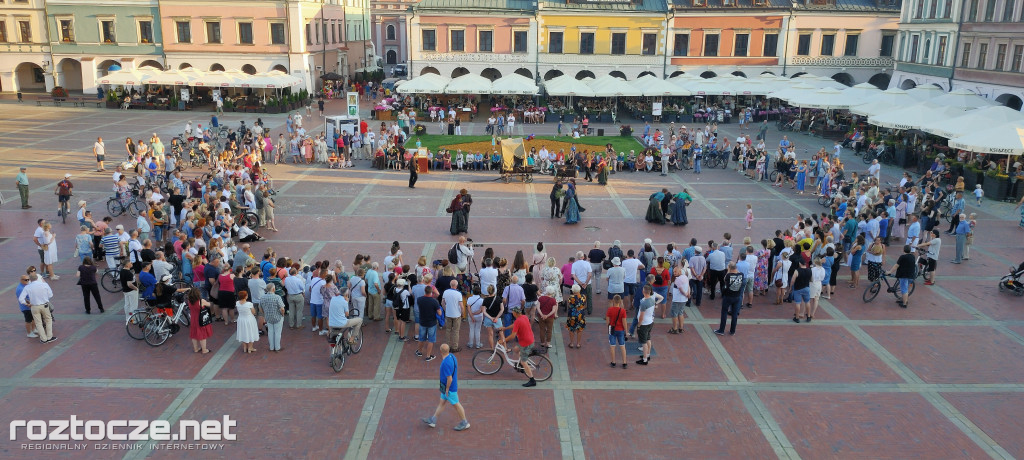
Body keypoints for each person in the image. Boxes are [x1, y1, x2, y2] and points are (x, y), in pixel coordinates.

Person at [421, 343, 471, 431]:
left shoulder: (445, 363)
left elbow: (449, 379)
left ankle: (465, 422)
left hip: (450, 389)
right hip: (446, 388)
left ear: (440, 351)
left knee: (456, 404)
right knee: (442, 402)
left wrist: (447, 389)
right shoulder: (452, 356)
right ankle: (433, 420)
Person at [500, 306, 538, 387]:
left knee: (523, 362)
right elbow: (515, 325)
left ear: (515, 313)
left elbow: (513, 336)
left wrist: (503, 340)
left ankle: (532, 380)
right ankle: (520, 365)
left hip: (526, 343)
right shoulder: (524, 317)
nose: (512, 313)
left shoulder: (518, 321)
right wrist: (505, 328)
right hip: (529, 339)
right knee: (516, 349)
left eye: (513, 312)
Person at [20, 274, 56, 343]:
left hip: (34, 306)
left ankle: (43, 339)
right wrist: (45, 298)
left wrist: (27, 304)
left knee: (38, 323)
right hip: (44, 305)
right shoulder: (44, 285)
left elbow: (21, 299)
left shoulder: (27, 287)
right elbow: (50, 295)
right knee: (48, 320)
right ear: (37, 278)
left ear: (30, 279)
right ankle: (49, 337)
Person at [714, 262, 744, 335]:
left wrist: (728, 271)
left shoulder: (728, 275)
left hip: (728, 296)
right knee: (734, 314)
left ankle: (721, 330)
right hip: (737, 297)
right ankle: (732, 331)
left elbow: (724, 281)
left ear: (729, 268)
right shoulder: (741, 275)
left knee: (724, 312)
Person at [636, 284, 661, 365]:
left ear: (643, 291)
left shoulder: (644, 303)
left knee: (643, 342)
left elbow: (641, 316)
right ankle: (648, 354)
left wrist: (639, 325)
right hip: (650, 322)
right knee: (648, 339)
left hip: (644, 324)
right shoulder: (652, 300)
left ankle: (644, 359)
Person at [416, 285, 441, 361]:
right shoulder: (434, 301)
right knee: (431, 340)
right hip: (431, 322)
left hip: (422, 321)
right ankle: (428, 355)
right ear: (431, 292)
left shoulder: (419, 299)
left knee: (421, 338)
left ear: (425, 291)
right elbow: (439, 313)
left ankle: (419, 351)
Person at [260, 283, 286, 351]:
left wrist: (264, 313)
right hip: (277, 316)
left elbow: (260, 308)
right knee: (277, 332)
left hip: (268, 317)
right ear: (273, 289)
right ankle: (277, 347)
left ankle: (271, 347)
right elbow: (282, 308)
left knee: (270, 332)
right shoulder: (277, 297)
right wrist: (282, 314)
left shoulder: (262, 297)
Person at [605, 295, 628, 368]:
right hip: (620, 330)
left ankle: (613, 362)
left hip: (612, 329)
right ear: (620, 302)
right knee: (622, 346)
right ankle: (624, 362)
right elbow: (624, 322)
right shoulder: (623, 311)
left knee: (612, 346)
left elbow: (607, 322)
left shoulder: (609, 310)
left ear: (613, 301)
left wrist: (609, 326)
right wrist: (626, 331)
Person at [441, 279, 464, 352]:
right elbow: (461, 306)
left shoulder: (446, 292)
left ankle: (447, 346)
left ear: (450, 285)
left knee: (448, 330)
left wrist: (445, 310)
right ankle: (454, 347)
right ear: (456, 285)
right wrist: (462, 313)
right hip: (456, 314)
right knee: (456, 331)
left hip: (448, 314)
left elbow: (443, 303)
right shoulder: (458, 294)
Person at [669, 264, 689, 334]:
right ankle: (681, 328)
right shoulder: (685, 277)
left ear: (680, 271)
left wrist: (685, 293)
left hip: (677, 299)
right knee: (681, 313)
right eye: (674, 272)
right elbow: (688, 286)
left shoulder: (677, 280)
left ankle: (674, 328)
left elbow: (680, 289)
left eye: (675, 272)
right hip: (684, 299)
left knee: (674, 314)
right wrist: (688, 294)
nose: (674, 273)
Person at [565, 284, 586, 349]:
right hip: (580, 315)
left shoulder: (571, 298)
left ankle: (571, 343)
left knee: (571, 329)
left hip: (572, 315)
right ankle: (578, 343)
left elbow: (569, 305)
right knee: (579, 329)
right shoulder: (583, 296)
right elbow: (584, 304)